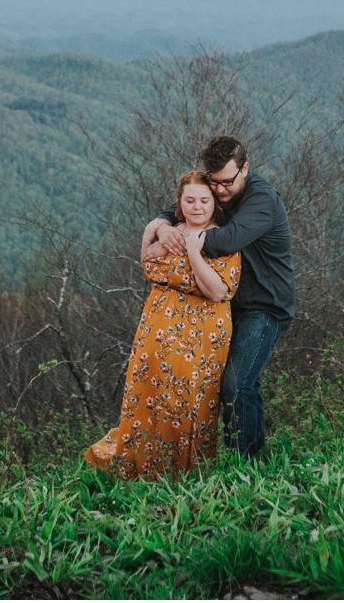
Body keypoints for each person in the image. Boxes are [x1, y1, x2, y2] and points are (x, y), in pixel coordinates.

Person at [84, 171, 242, 478]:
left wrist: (193, 255)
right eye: (190, 200)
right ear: (179, 203)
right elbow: (148, 262)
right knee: (150, 395)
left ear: (214, 203)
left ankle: (184, 471)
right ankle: (144, 464)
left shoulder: (224, 237)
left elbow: (218, 290)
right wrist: (162, 233)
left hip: (203, 329)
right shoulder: (168, 231)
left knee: (190, 398)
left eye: (204, 200)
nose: (197, 207)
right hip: (157, 323)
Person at [150, 136, 293, 461]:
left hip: (265, 306)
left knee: (238, 382)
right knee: (210, 383)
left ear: (245, 169)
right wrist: (160, 225)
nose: (219, 190)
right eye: (213, 182)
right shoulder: (217, 188)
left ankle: (249, 465)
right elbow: (180, 207)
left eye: (227, 182)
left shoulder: (262, 199)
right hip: (224, 306)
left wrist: (183, 236)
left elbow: (227, 240)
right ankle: (239, 459)